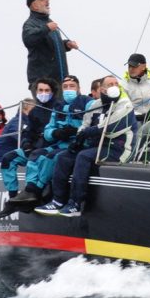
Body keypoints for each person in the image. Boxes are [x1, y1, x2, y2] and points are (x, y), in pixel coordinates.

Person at [36, 76, 137, 217]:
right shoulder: (96, 105)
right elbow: (85, 124)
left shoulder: (125, 104)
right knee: (65, 156)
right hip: (97, 146)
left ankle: (76, 203)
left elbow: (113, 127)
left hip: (118, 148)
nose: (114, 86)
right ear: (102, 89)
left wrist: (90, 131)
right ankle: (58, 200)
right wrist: (78, 139)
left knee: (84, 157)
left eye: (116, 84)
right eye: (110, 84)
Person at [8, 75, 89, 205]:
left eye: (72, 86)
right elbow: (46, 131)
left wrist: (76, 131)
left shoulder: (87, 102)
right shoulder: (58, 108)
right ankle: (25, 192)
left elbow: (91, 123)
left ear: (79, 88)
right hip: (59, 143)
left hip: (77, 144)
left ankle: (38, 191)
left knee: (51, 157)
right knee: (30, 156)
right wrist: (56, 133)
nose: (69, 89)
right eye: (66, 87)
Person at [0, 79, 56, 200]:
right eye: (40, 90)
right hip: (34, 146)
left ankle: (32, 192)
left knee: (37, 157)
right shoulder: (34, 111)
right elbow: (28, 131)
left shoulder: (58, 108)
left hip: (50, 147)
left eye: (47, 90)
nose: (43, 93)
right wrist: (26, 142)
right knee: (8, 159)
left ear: (53, 92)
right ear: (36, 92)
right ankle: (13, 195)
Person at [23, 0, 79, 89]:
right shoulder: (29, 24)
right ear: (34, 5)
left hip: (60, 80)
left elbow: (50, 44)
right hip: (42, 83)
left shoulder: (49, 22)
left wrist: (66, 44)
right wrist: (46, 28)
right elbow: (29, 39)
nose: (47, 1)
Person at [121, 53, 150, 121]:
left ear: (144, 66)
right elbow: (123, 106)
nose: (131, 69)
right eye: (129, 66)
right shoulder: (123, 84)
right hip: (132, 120)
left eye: (134, 66)